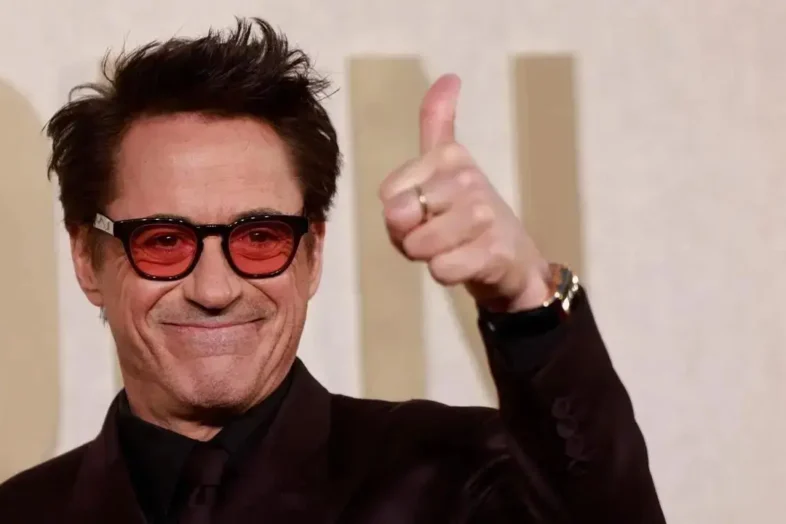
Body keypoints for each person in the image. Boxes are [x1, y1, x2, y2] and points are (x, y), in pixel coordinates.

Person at [0, 18, 666, 524]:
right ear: (87, 259)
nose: (215, 288)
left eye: (259, 237)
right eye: (165, 241)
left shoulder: (465, 473)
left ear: (312, 254)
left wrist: (525, 300)